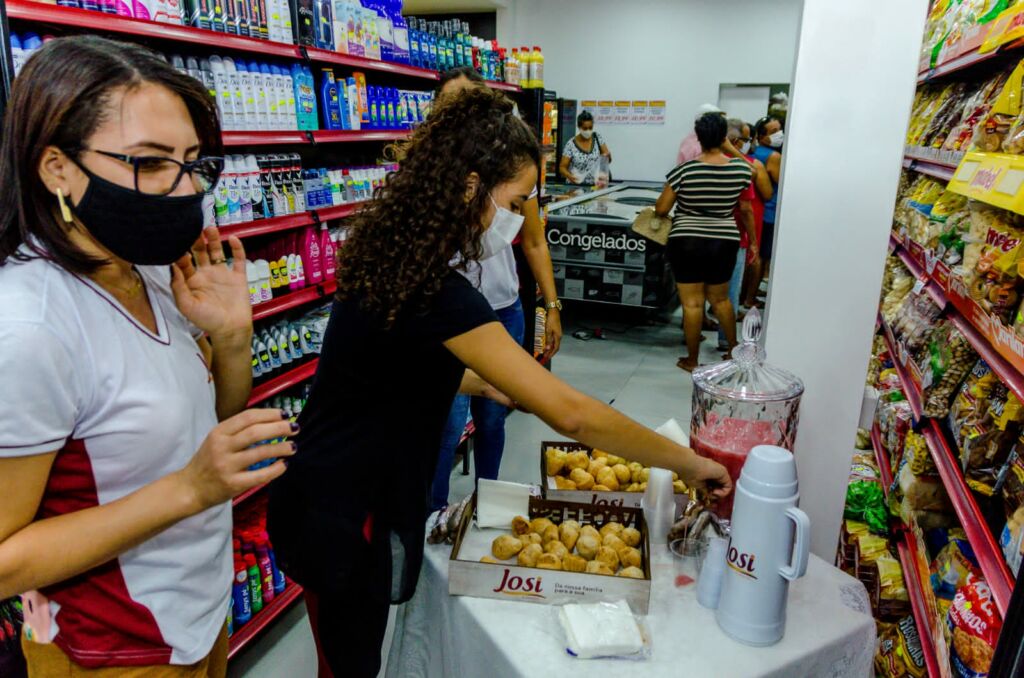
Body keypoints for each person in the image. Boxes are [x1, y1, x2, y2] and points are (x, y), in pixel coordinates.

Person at [266, 87, 732, 677]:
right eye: (515, 199)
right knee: (349, 661)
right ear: (468, 186)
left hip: (338, 488)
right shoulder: (436, 289)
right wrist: (688, 463)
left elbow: (391, 366)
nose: (518, 217)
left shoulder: (397, 254)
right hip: (345, 507)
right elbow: (573, 415)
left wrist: (479, 385)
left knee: (349, 647)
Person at [0, 36, 294, 676]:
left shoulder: (152, 271)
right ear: (57, 167)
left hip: (196, 618)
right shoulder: (28, 327)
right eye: (150, 162)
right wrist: (190, 489)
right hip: (109, 650)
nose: (182, 188)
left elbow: (197, 425)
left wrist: (232, 341)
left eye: (192, 161)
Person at [429, 68, 564, 511]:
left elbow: (534, 239)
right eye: (454, 106)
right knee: (446, 429)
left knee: (493, 418)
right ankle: (433, 517)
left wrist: (551, 304)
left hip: (502, 309)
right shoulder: (427, 189)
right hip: (450, 327)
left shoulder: (507, 173)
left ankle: (488, 502)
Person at [656, 112, 758, 372]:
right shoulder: (740, 170)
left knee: (692, 304)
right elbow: (746, 204)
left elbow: (661, 208)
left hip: (686, 240)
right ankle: (734, 352)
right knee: (721, 300)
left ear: (698, 138)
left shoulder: (684, 171)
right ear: (724, 137)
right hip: (723, 242)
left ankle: (692, 360)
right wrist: (754, 242)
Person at [752, 116, 783, 284]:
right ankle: (750, 299)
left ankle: (746, 298)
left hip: (759, 210)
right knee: (763, 256)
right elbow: (782, 184)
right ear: (761, 136)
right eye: (773, 131)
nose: (779, 134)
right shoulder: (774, 156)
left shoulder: (754, 152)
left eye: (779, 129)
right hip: (770, 212)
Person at [558, 110, 611, 184]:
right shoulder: (570, 144)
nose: (588, 131)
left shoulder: (597, 138)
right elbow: (562, 167)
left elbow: (606, 160)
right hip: (575, 186)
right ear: (579, 127)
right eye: (585, 128)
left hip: (595, 185)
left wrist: (608, 157)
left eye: (590, 128)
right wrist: (570, 177)